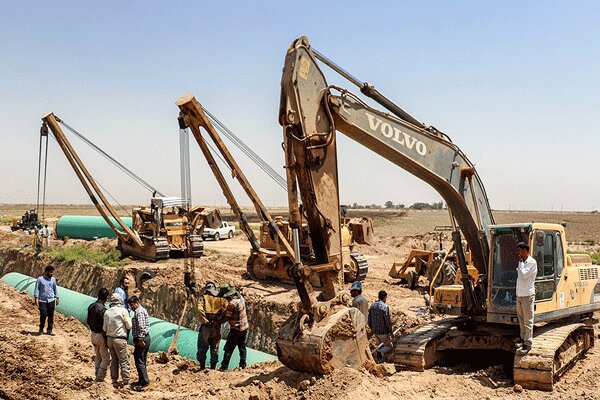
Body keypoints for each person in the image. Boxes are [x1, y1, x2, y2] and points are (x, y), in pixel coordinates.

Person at [196, 281, 229, 369]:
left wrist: (205, 320)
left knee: (203, 345)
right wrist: (219, 320)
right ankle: (213, 367)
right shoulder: (222, 299)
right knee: (215, 347)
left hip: (206, 326)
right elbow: (227, 310)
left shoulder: (203, 298)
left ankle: (202, 366)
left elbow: (200, 310)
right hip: (216, 327)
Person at [103, 293, 132, 387]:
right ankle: (126, 381)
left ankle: (114, 380)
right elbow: (129, 326)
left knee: (114, 361)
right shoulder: (123, 311)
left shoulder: (107, 312)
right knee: (124, 361)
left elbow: (104, 328)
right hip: (120, 339)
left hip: (110, 339)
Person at [220, 284, 249, 370]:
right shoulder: (241, 298)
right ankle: (242, 365)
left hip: (236, 329)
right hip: (244, 327)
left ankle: (224, 367)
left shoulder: (232, 304)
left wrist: (217, 321)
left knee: (228, 348)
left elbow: (227, 317)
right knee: (242, 347)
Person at [515, 241, 537, 355]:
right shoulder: (522, 263)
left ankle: (528, 343)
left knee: (528, 320)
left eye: (519, 251)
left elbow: (523, 275)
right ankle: (523, 339)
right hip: (519, 294)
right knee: (521, 319)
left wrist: (521, 265)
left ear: (525, 251)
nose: (518, 253)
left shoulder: (531, 263)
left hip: (527, 295)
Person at [87, 288, 110, 382]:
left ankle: (97, 374)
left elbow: (88, 321)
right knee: (106, 358)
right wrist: (105, 338)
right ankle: (100, 377)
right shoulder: (103, 310)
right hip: (100, 335)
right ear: (106, 298)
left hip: (93, 334)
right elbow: (104, 326)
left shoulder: (91, 306)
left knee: (98, 356)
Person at [127, 296, 151, 388]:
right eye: (130, 305)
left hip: (142, 338)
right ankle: (142, 379)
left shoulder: (139, 312)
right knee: (142, 360)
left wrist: (140, 339)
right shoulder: (140, 311)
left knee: (139, 360)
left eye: (132, 305)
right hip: (144, 337)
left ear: (137, 302)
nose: (131, 307)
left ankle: (144, 380)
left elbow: (142, 326)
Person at [368, 290, 393, 363]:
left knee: (380, 345)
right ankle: (379, 352)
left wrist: (372, 329)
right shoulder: (385, 307)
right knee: (389, 347)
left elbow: (369, 319)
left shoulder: (372, 305)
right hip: (383, 332)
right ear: (385, 297)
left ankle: (380, 360)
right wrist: (390, 332)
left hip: (375, 331)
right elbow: (387, 321)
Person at [34, 265, 59, 335]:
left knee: (51, 316)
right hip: (42, 300)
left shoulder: (53, 279)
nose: (52, 274)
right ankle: (41, 329)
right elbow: (36, 289)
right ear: (46, 272)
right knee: (43, 315)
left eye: (52, 272)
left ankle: (49, 330)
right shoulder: (40, 279)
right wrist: (36, 298)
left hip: (51, 300)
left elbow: (55, 288)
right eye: (50, 272)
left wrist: (57, 297)